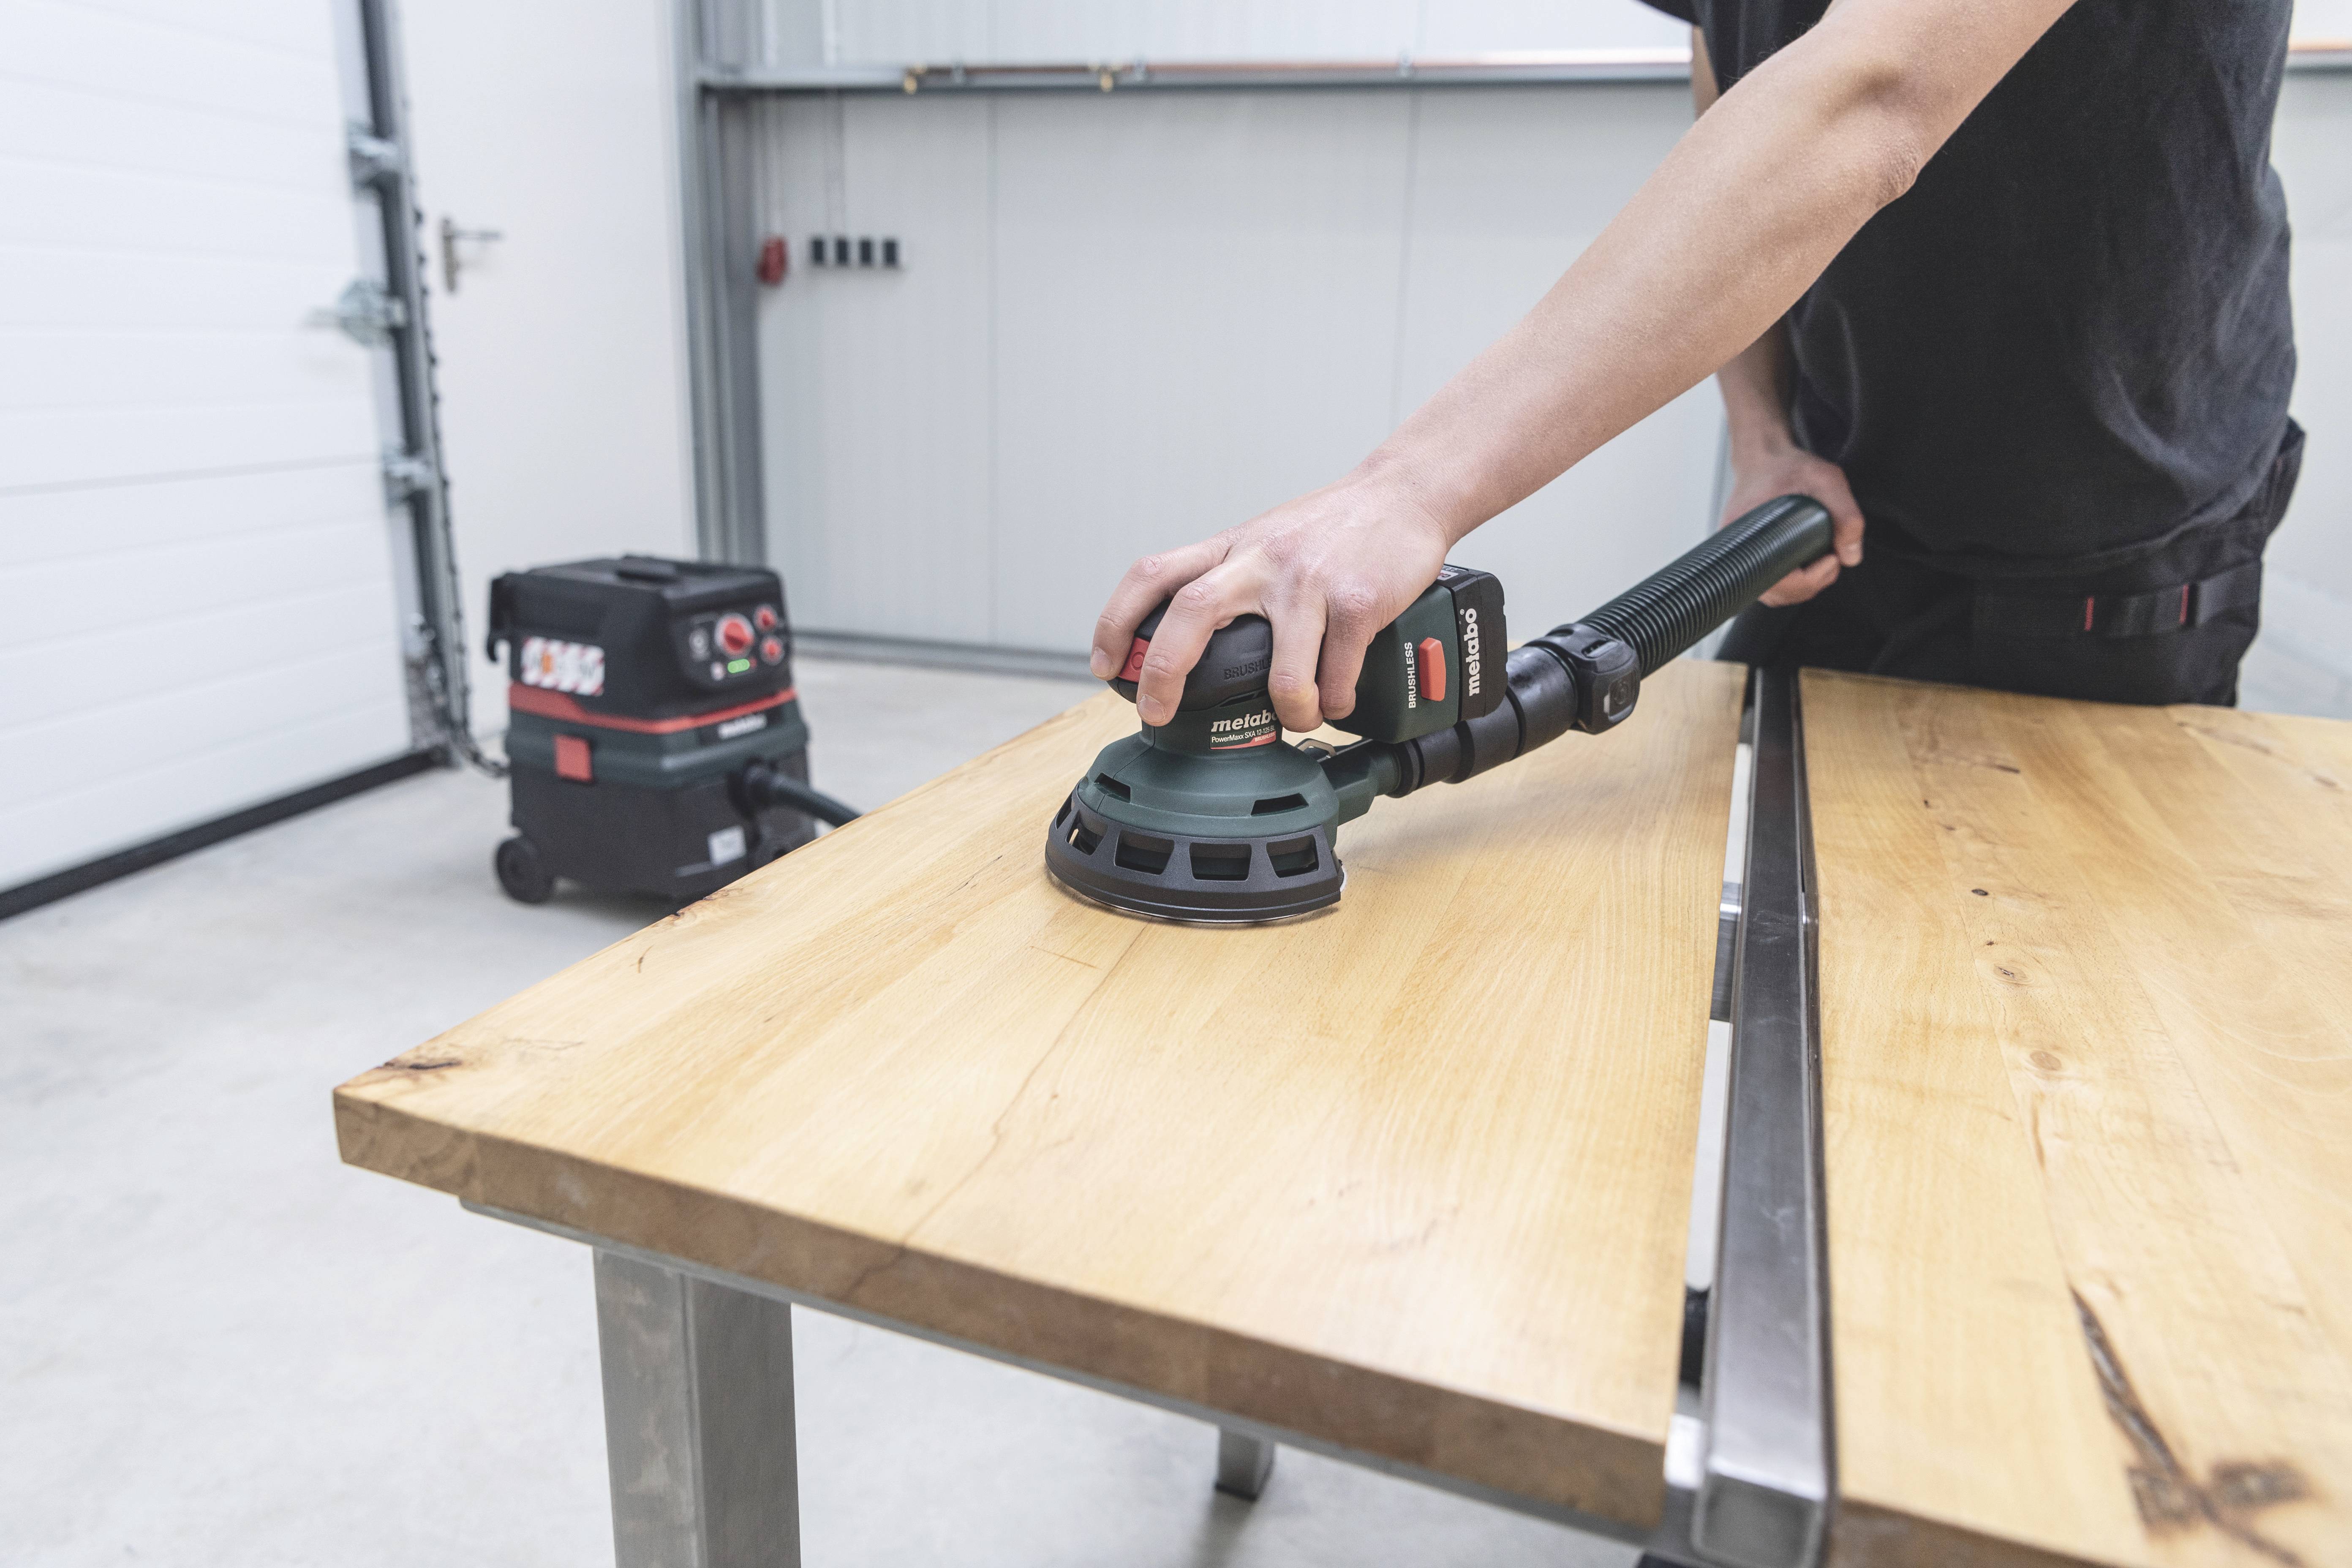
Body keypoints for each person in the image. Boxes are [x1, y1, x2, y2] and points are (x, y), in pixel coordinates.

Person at [1090, 0, 2299, 732]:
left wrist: (1409, 488)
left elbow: (1873, 96)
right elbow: (1740, 67)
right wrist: (1765, 433)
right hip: (1840, 497)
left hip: (2105, 528)